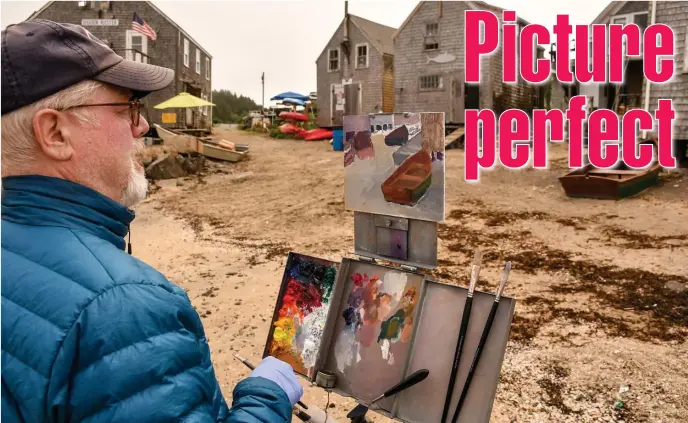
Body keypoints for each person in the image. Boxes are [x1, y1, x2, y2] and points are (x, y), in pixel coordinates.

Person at [1, 19, 303, 423]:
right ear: (55, 133)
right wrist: (267, 395)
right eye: (128, 107)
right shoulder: (124, 309)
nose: (143, 126)